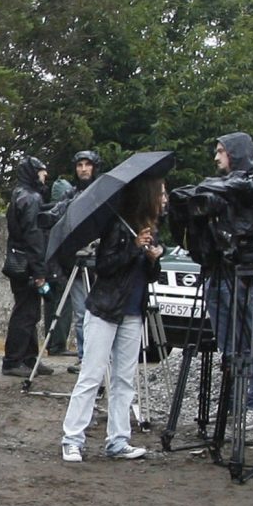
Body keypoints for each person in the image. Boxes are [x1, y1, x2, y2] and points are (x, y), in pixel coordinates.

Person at [61, 176, 166, 462]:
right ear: (149, 196)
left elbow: (148, 276)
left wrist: (153, 259)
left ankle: (118, 440)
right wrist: (133, 247)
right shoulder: (119, 225)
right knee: (92, 375)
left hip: (133, 312)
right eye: (162, 193)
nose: (165, 199)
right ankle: (72, 438)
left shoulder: (150, 230)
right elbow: (105, 267)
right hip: (106, 309)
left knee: (124, 379)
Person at [210, 133, 253, 430]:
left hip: (243, 273)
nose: (216, 157)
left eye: (221, 151)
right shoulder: (220, 189)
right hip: (219, 270)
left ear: (235, 154)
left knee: (249, 339)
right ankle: (235, 402)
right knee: (228, 343)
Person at [46, 149, 100, 359]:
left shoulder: (102, 192)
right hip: (78, 262)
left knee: (101, 314)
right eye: (80, 165)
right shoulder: (71, 194)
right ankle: (84, 357)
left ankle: (101, 357)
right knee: (81, 314)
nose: (84, 169)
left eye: (87, 165)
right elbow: (57, 217)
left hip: (101, 261)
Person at [1, 156, 50, 374]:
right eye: (42, 171)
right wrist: (39, 271)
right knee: (26, 312)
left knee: (29, 310)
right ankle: (13, 361)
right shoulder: (30, 198)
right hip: (27, 263)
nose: (45, 175)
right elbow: (34, 236)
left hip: (19, 260)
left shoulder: (19, 195)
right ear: (33, 172)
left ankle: (29, 359)